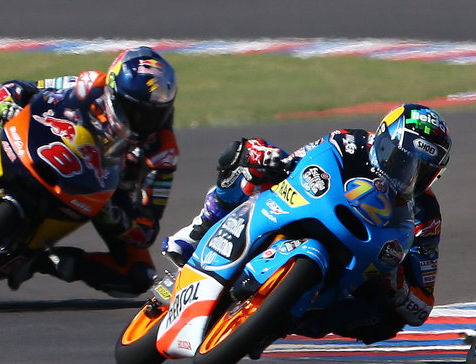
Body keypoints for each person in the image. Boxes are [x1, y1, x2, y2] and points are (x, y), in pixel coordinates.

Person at [162, 104, 451, 344]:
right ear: (384, 142)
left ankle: (282, 319)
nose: (410, 176)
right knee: (245, 158)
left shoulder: (426, 214)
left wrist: (398, 287)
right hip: (309, 209)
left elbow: (421, 308)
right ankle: (198, 233)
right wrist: (271, 161)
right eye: (404, 161)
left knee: (386, 322)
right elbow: (297, 162)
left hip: (357, 266)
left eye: (423, 171)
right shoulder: (348, 142)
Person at [0, 46, 179, 298]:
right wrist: (7, 104)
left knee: (138, 275)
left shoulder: (163, 152)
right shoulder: (87, 85)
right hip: (55, 149)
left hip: (103, 195)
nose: (142, 120)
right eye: (132, 109)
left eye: (153, 113)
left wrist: (115, 217)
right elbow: (16, 88)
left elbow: (146, 228)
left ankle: (41, 260)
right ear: (112, 91)